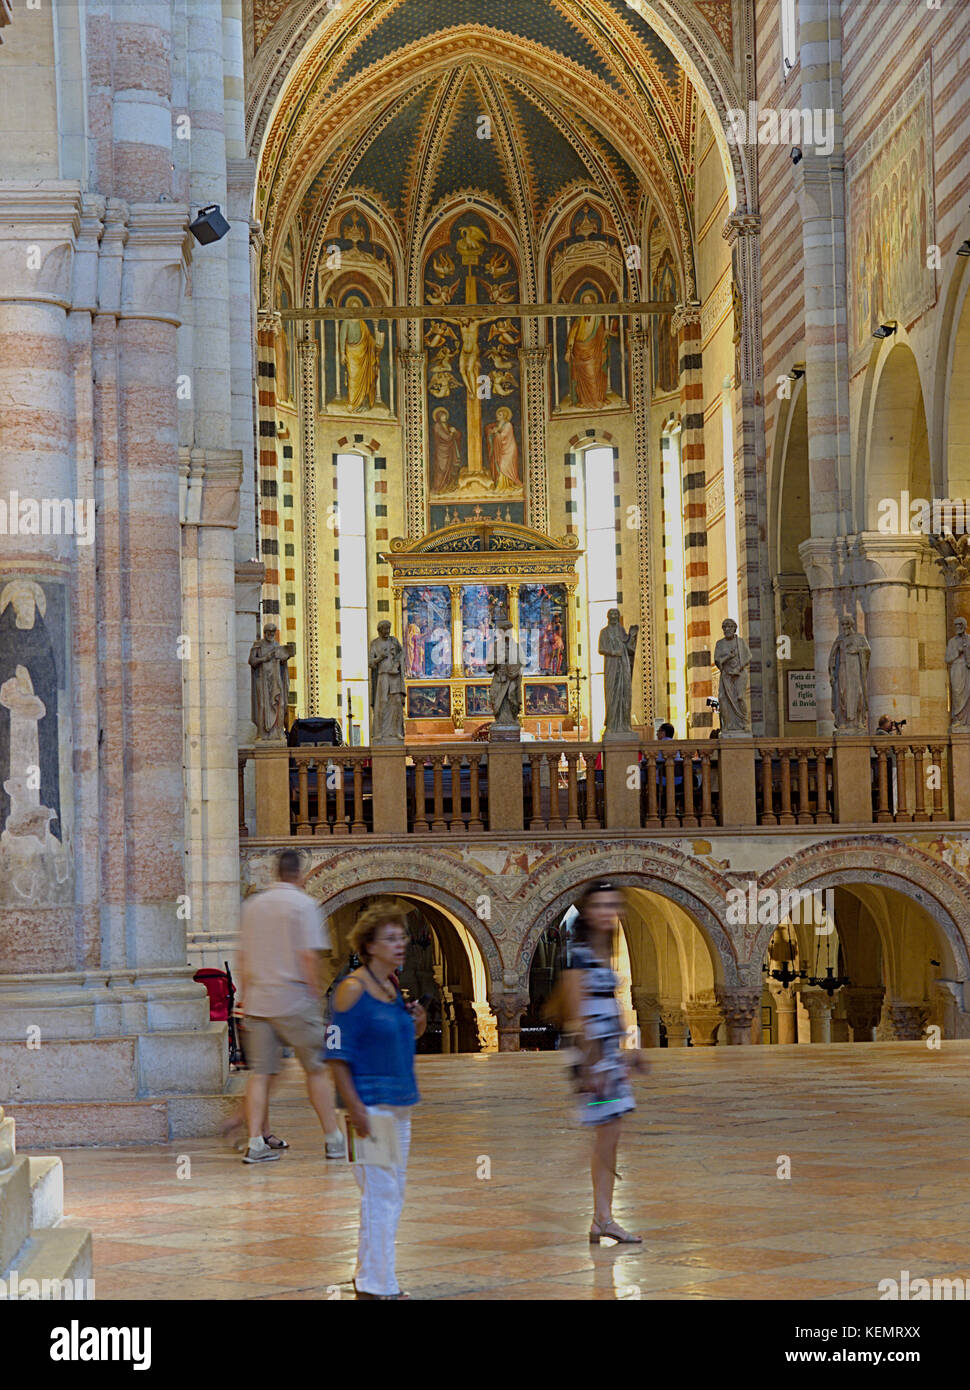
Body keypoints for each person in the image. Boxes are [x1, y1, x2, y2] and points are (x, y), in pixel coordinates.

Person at [327, 901, 427, 1300]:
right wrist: (354, 1110)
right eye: (390, 938)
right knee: (382, 1195)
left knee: (388, 1194)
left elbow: (400, 1040)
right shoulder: (353, 989)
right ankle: (379, 1285)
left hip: (399, 1105)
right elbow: (336, 1053)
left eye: (401, 936)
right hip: (369, 1105)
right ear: (369, 945)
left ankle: (368, 1275)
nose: (400, 943)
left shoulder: (390, 988)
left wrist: (416, 1023)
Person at [237, 849, 345, 1164]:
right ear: (300, 874)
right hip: (294, 998)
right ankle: (333, 1138)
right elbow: (307, 956)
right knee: (315, 1069)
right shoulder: (304, 905)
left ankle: (255, 1143)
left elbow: (243, 957)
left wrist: (245, 997)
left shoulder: (253, 906)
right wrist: (314, 995)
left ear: (275, 873)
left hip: (258, 1000)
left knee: (260, 1073)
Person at [559, 883, 647, 1245]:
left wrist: (631, 1047)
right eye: (601, 905)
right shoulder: (580, 954)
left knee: (609, 1137)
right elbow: (576, 1012)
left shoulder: (600, 950)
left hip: (608, 1056)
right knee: (606, 1137)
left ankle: (603, 1217)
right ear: (589, 912)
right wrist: (592, 1064)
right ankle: (603, 1217)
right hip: (595, 1057)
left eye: (614, 905)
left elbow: (611, 1001)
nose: (609, 911)